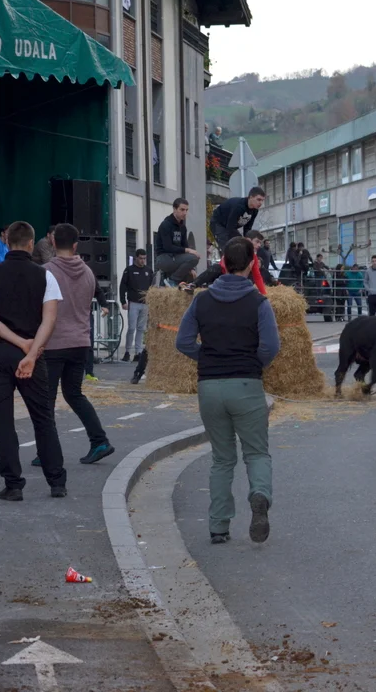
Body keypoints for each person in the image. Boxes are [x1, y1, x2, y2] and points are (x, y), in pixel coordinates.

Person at [175, 236, 280, 544]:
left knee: (222, 459)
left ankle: (219, 526)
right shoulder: (259, 303)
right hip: (246, 383)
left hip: (209, 386)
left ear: (222, 263)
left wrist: (208, 357)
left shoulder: (201, 300)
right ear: (252, 263)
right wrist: (254, 362)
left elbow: (182, 342)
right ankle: (259, 495)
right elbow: (271, 346)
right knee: (256, 452)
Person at [0, 221, 65, 502]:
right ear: (30, 243)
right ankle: (56, 482)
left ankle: (13, 485)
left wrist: (18, 342)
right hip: (33, 355)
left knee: (2, 422)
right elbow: (49, 320)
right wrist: (31, 351)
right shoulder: (46, 276)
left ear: (7, 241)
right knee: (43, 418)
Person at [41, 223, 115, 466]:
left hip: (53, 343)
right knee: (74, 394)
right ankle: (99, 440)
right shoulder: (88, 272)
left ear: (53, 242)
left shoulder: (46, 272)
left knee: (46, 398)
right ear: (75, 245)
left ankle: (47, 451)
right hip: (81, 342)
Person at [189, 229, 272, 294]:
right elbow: (224, 264)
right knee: (215, 268)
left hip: (239, 280)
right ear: (248, 240)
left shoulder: (254, 257)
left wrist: (264, 294)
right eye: (257, 242)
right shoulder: (235, 248)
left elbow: (257, 276)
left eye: (260, 243)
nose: (259, 245)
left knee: (251, 277)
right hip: (224, 276)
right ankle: (194, 284)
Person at [156, 198, 200, 284]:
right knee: (194, 257)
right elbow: (168, 247)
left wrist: (191, 268)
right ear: (174, 209)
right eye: (182, 209)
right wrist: (188, 250)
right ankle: (172, 280)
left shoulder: (182, 227)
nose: (185, 213)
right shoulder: (166, 224)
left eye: (186, 210)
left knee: (192, 267)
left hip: (175, 258)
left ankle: (170, 281)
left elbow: (184, 246)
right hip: (163, 258)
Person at [119, 248, 152, 362]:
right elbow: (123, 286)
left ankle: (138, 352)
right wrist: (123, 301)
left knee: (141, 328)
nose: (143, 261)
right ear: (136, 258)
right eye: (141, 258)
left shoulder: (148, 271)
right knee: (132, 328)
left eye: (144, 258)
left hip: (145, 303)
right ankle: (127, 351)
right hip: (133, 302)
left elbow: (152, 287)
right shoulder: (129, 270)